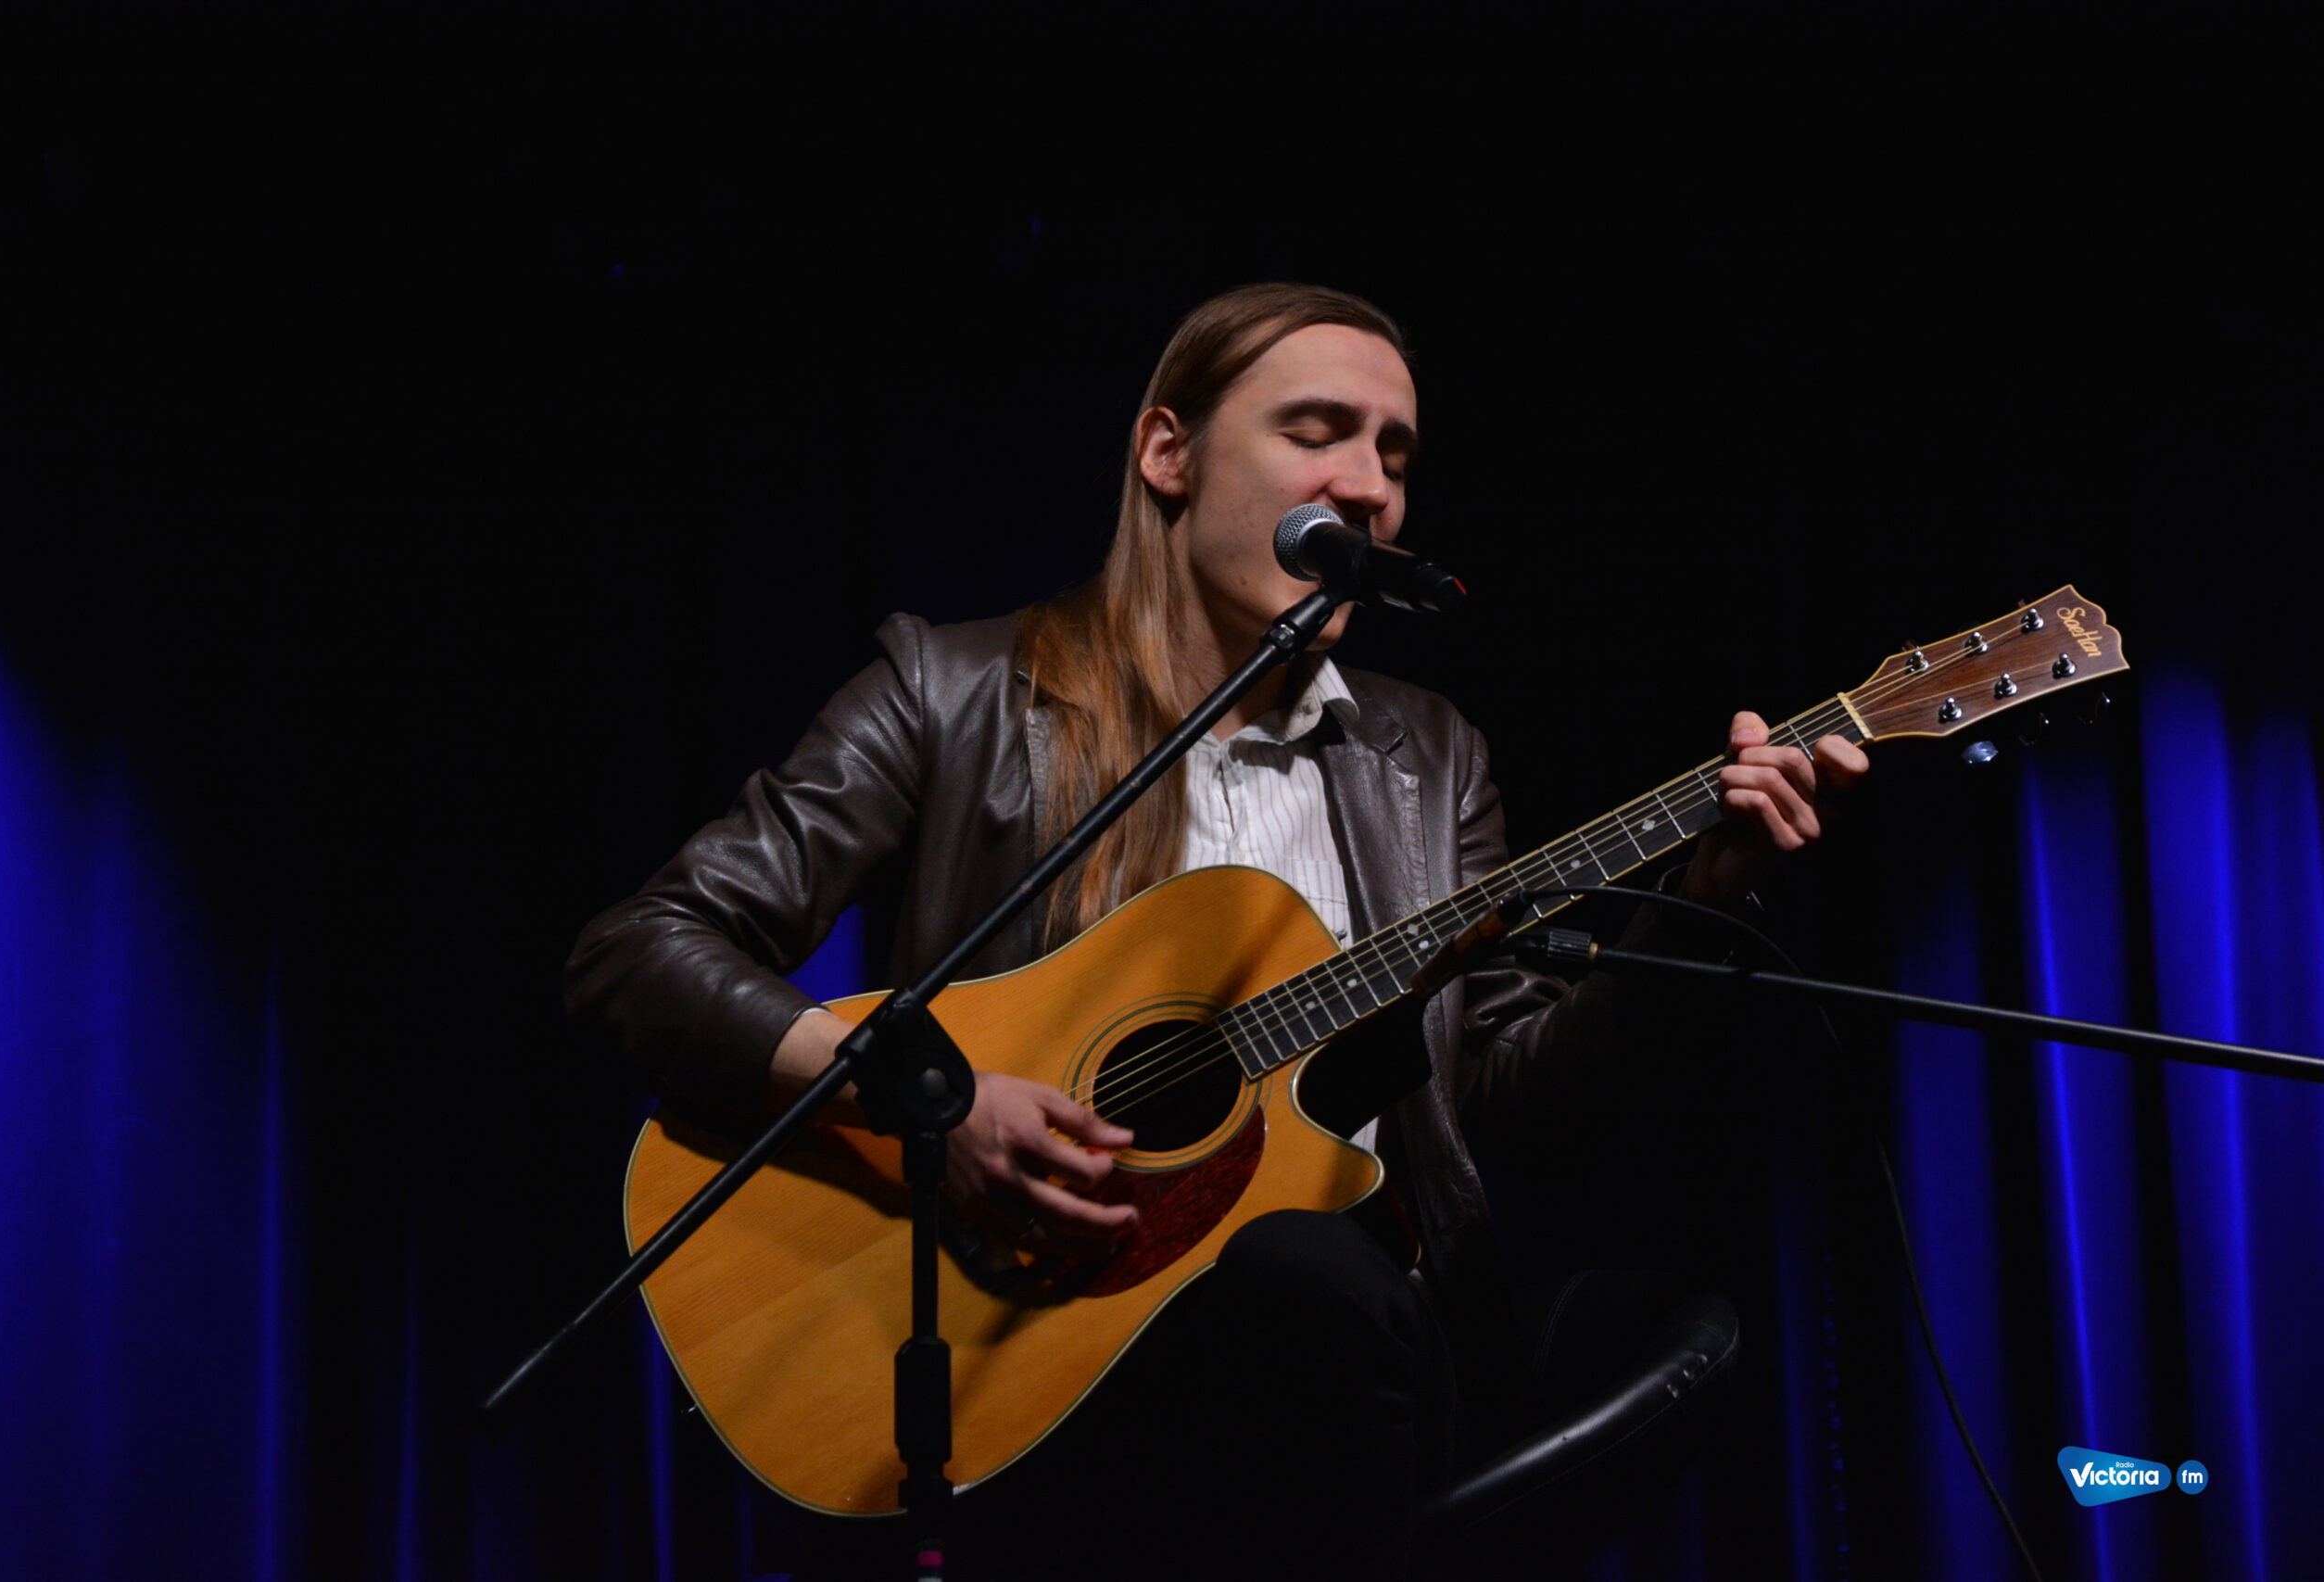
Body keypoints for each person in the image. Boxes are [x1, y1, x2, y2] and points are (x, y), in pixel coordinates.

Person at [565, 283, 1868, 1579]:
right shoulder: (953, 696)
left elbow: (1507, 1097)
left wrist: (1707, 901)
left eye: (1396, 454)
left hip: (1348, 1358)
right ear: (1167, 454)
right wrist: (929, 1109)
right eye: (1318, 432)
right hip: (1031, 1355)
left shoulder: (1427, 759)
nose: (1369, 487)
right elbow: (643, 950)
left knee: (1306, 1271)